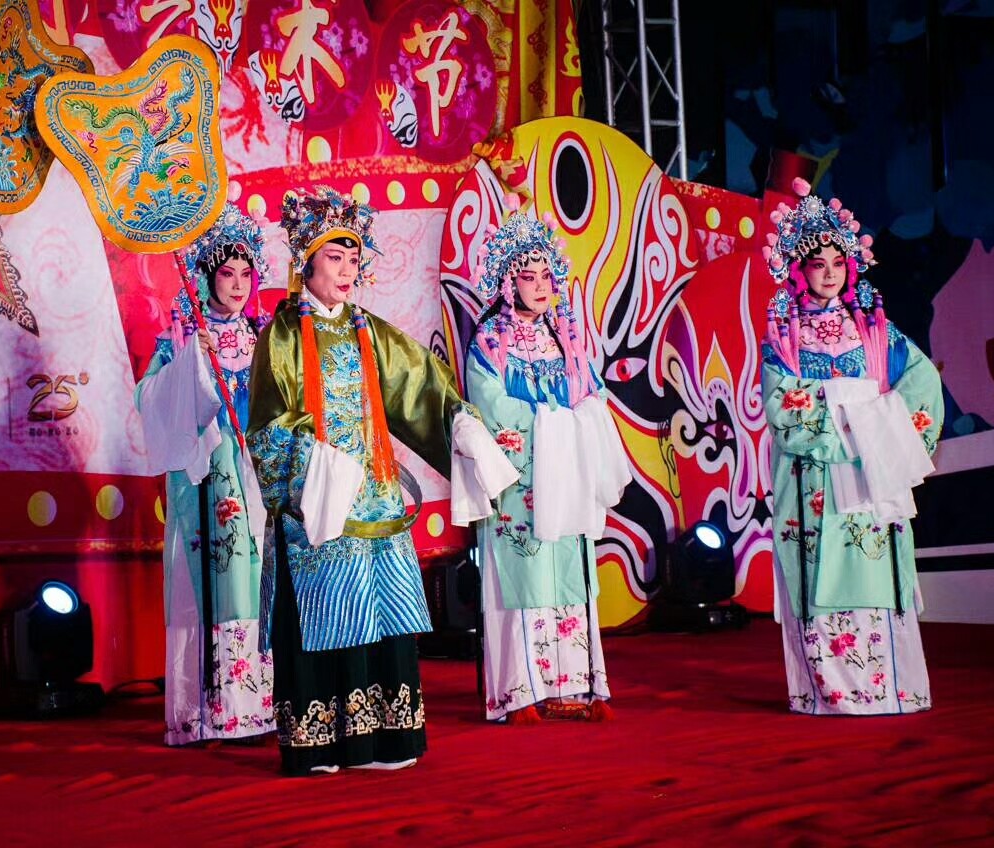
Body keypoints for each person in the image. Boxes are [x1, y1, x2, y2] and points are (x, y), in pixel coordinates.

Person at [246, 186, 514, 775]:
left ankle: (386, 739)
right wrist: (316, 465)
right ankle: (320, 743)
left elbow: (419, 384)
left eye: (353, 258)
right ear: (306, 263)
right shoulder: (282, 336)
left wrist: (459, 422)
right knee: (325, 617)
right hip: (319, 504)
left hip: (377, 499)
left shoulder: (371, 331)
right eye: (334, 258)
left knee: (383, 616)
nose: (347, 271)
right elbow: (265, 427)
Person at [762, 178, 943, 715]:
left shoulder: (875, 331)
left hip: (870, 468)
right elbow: (781, 404)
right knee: (818, 569)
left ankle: (891, 687)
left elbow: (922, 381)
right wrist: (852, 412)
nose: (829, 272)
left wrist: (881, 425)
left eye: (838, 263)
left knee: (874, 564)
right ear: (799, 270)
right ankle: (831, 692)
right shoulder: (785, 336)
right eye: (817, 264)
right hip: (815, 477)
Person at [465, 204, 630, 724]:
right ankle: (521, 692)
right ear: (508, 283)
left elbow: (593, 393)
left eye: (545, 275)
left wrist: (580, 419)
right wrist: (553, 423)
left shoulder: (565, 337)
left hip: (568, 475)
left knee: (570, 572)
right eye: (528, 277)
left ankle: (575, 686)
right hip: (523, 480)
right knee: (526, 571)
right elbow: (489, 405)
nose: (540, 286)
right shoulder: (490, 341)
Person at [135, 204, 275, 745]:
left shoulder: (264, 335)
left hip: (255, 469)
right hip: (207, 472)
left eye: (246, 274)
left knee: (256, 576)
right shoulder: (179, 336)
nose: (238, 285)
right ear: (207, 278)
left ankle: (257, 706)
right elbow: (147, 398)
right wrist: (191, 362)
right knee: (216, 575)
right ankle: (210, 710)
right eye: (227, 274)